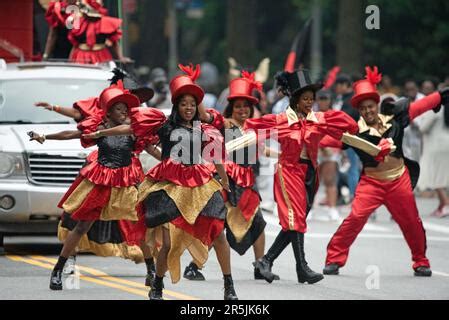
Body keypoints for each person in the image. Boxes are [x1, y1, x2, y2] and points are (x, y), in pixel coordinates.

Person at [83, 64, 239, 300]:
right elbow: (130, 128)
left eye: (192, 104)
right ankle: (157, 284)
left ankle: (229, 287)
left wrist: (225, 181)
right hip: (169, 184)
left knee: (219, 234)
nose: (188, 108)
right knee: (167, 242)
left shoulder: (205, 129)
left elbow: (216, 158)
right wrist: (102, 134)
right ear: (177, 105)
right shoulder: (164, 124)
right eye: (184, 103)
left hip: (199, 183)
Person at [32, 69, 159, 285]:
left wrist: (172, 159)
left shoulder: (134, 130)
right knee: (81, 226)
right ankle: (58, 270)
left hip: (127, 182)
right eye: (118, 109)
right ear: (108, 113)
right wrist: (44, 136)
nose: (124, 112)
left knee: (139, 226)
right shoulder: (97, 127)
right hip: (101, 180)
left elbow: (153, 150)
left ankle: (151, 271)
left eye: (126, 109)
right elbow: (71, 133)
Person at [323, 66, 449, 277]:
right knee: (354, 218)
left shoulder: (396, 119)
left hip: (399, 180)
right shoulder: (354, 131)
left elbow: (419, 107)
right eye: (363, 108)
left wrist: (440, 96)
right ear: (359, 110)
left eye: (371, 106)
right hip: (371, 183)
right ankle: (333, 259)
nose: (368, 111)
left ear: (377, 104)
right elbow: (327, 140)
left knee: (411, 222)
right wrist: (304, 137)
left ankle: (421, 261)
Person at [240, 69, 359, 285]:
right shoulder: (281, 119)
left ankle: (265, 261)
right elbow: (251, 127)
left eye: (311, 99)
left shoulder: (318, 119)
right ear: (295, 100)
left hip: (310, 173)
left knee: (295, 223)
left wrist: (357, 134)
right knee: (296, 220)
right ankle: (301, 267)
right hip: (288, 171)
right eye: (305, 99)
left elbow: (346, 125)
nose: (309, 103)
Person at [183, 71, 280, 283]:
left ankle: (260, 265)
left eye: (246, 106)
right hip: (225, 180)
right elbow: (203, 116)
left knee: (258, 222)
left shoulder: (255, 127)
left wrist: (284, 156)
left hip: (247, 182)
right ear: (231, 108)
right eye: (238, 106)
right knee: (216, 226)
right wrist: (194, 88)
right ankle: (193, 265)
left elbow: (262, 150)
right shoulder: (225, 124)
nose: (242, 110)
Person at [417, 87, 449, 217]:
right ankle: (441, 205)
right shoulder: (446, 108)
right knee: (441, 174)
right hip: (445, 143)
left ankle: (446, 204)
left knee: (434, 175)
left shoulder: (435, 108)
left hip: (435, 146)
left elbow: (423, 128)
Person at [67, 0, 131, 64]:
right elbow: (75, 44)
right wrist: (70, 61)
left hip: (101, 56)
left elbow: (114, 43)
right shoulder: (79, 23)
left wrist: (120, 58)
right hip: (81, 56)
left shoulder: (105, 23)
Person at [333, 74, 361, 200]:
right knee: (346, 167)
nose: (336, 88)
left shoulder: (352, 100)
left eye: (338, 85)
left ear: (345, 85)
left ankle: (354, 195)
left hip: (351, 138)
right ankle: (344, 194)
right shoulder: (342, 99)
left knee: (352, 167)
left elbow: (346, 118)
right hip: (343, 138)